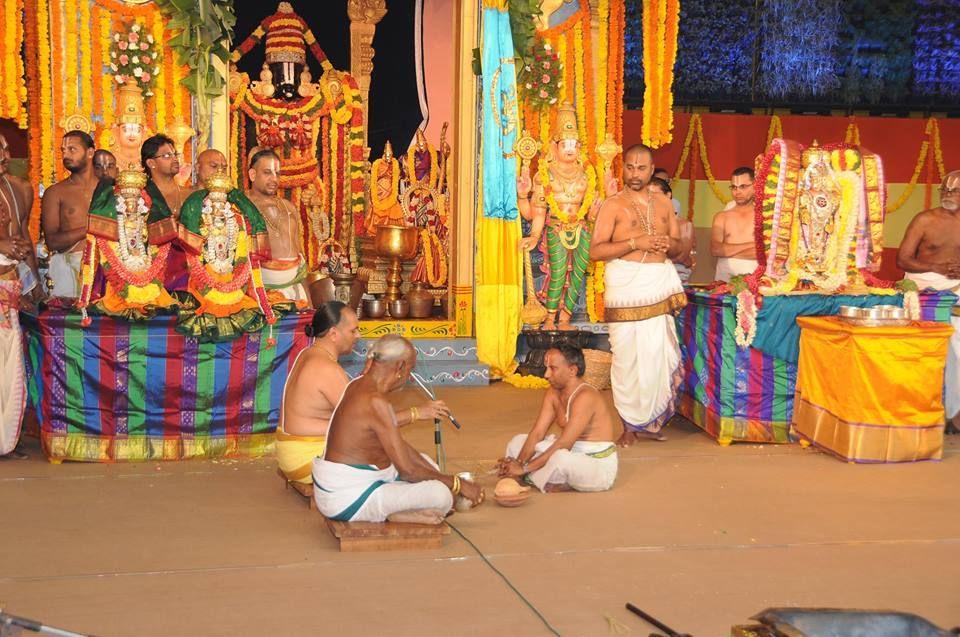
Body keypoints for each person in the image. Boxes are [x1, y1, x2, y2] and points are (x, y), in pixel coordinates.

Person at [313, 335, 484, 524]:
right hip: (347, 500)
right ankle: (386, 512)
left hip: (344, 486)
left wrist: (443, 477)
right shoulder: (376, 402)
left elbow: (399, 447)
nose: (409, 376)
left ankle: (396, 512)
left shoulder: (357, 385)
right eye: (411, 369)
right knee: (441, 496)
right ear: (400, 367)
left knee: (429, 465)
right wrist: (457, 484)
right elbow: (408, 471)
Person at [278, 303, 450, 484]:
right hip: (305, 459)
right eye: (353, 331)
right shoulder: (326, 368)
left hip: (291, 451)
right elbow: (369, 419)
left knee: (391, 447)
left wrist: (369, 376)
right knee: (390, 453)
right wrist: (417, 413)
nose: (358, 336)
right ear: (334, 334)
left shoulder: (308, 354)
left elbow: (351, 402)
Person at [589, 144, 688, 446]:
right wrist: (637, 242)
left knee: (658, 355)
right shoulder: (613, 205)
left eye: (641, 168)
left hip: (657, 283)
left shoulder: (663, 204)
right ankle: (628, 425)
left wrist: (664, 245)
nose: (634, 173)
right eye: (629, 167)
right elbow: (596, 251)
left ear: (651, 168)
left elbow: (680, 247)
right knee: (627, 359)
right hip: (627, 287)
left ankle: (652, 421)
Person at [497, 345, 617, 492]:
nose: (546, 374)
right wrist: (518, 462)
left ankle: (531, 475)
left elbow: (564, 443)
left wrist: (524, 467)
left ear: (572, 370)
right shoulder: (553, 392)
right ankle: (539, 477)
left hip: (595, 464)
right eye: (546, 367)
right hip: (569, 452)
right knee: (517, 442)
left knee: (561, 458)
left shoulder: (586, 396)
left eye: (553, 368)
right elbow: (537, 433)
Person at [897, 170, 960, 433]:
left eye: (953, 191)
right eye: (943, 190)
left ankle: (954, 413)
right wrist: (937, 266)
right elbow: (902, 260)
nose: (947, 195)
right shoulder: (925, 219)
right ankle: (934, 409)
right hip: (924, 283)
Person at [0, 133, 36, 459]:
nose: (4, 155)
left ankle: (6, 438)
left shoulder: (15, 188)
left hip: (9, 288)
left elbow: (18, 235)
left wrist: (31, 277)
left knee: (10, 365)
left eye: (6, 148)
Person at [246, 148, 309, 306]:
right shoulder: (241, 205)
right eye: (267, 172)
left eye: (277, 173)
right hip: (261, 294)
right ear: (252, 175)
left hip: (296, 289)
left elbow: (299, 256)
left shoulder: (289, 207)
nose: (274, 179)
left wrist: (310, 301)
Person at [41, 130, 98, 298]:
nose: (65, 154)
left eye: (72, 149)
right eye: (63, 150)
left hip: (106, 268)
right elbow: (52, 242)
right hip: (69, 267)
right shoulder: (56, 192)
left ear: (90, 152)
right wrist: (90, 228)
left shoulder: (108, 189)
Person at [710, 166, 758, 282]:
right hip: (725, 281)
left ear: (755, 186)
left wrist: (727, 251)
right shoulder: (721, 217)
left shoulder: (764, 216)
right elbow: (716, 250)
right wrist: (752, 245)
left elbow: (766, 254)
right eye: (734, 187)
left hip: (755, 281)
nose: (737, 192)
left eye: (743, 187)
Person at [650, 176, 696, 284]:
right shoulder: (643, 222)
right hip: (650, 279)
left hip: (676, 279)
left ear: (668, 195)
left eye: (654, 194)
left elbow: (681, 257)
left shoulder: (684, 224)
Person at [141, 134, 193, 218]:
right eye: (167, 156)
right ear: (151, 163)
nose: (175, 159)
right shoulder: (142, 196)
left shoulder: (190, 194)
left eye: (175, 154)